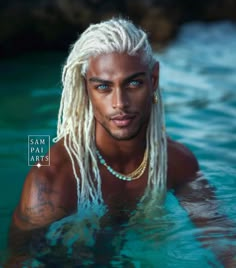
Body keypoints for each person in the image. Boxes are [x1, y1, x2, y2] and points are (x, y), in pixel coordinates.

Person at [7, 18, 236, 267]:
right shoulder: (52, 180)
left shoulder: (176, 162)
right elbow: (20, 259)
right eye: (104, 87)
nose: (120, 103)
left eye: (134, 83)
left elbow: (222, 240)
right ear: (86, 89)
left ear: (154, 79)